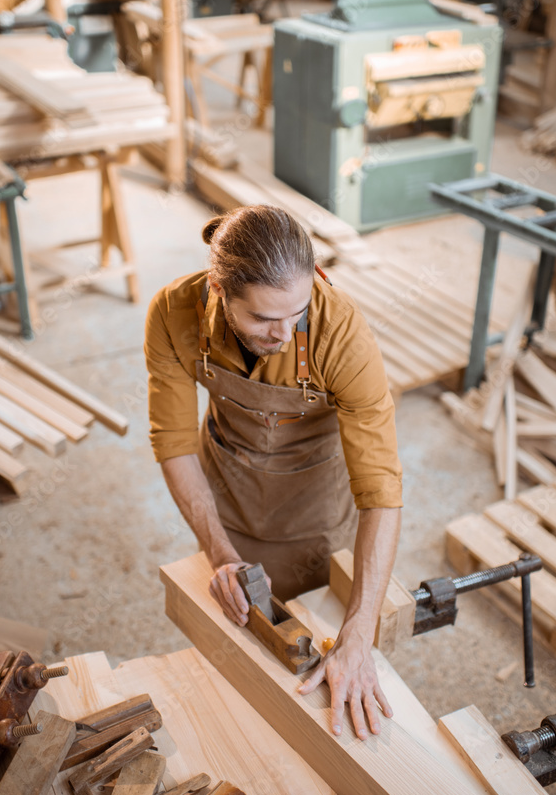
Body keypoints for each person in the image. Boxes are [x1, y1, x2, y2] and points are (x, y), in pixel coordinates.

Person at [145, 205, 402, 739]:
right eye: (263, 318)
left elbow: (380, 488)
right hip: (227, 490)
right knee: (235, 650)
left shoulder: (341, 333)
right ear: (218, 289)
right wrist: (219, 552)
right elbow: (171, 442)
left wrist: (359, 630)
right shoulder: (173, 313)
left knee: (315, 644)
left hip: (314, 502)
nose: (284, 333)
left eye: (297, 312)